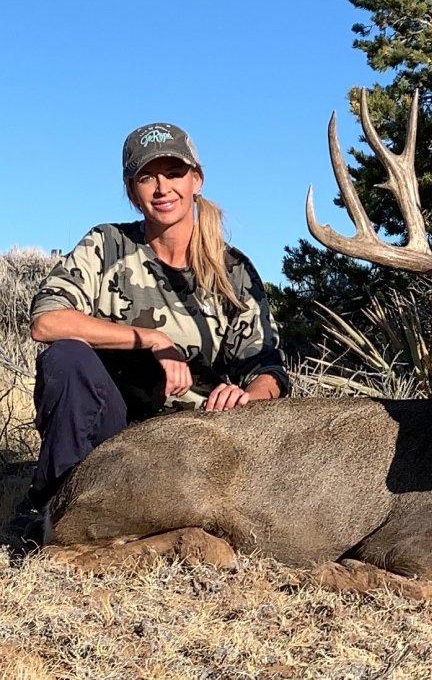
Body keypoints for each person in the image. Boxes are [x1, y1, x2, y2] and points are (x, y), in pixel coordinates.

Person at [23, 122, 288, 518]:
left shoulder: (234, 270)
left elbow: (267, 369)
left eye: (175, 173)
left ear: (196, 181)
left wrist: (247, 397)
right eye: (147, 177)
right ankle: (54, 509)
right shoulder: (106, 244)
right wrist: (151, 338)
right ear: (132, 192)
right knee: (67, 358)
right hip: (109, 432)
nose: (163, 188)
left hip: (191, 442)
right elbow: (47, 321)